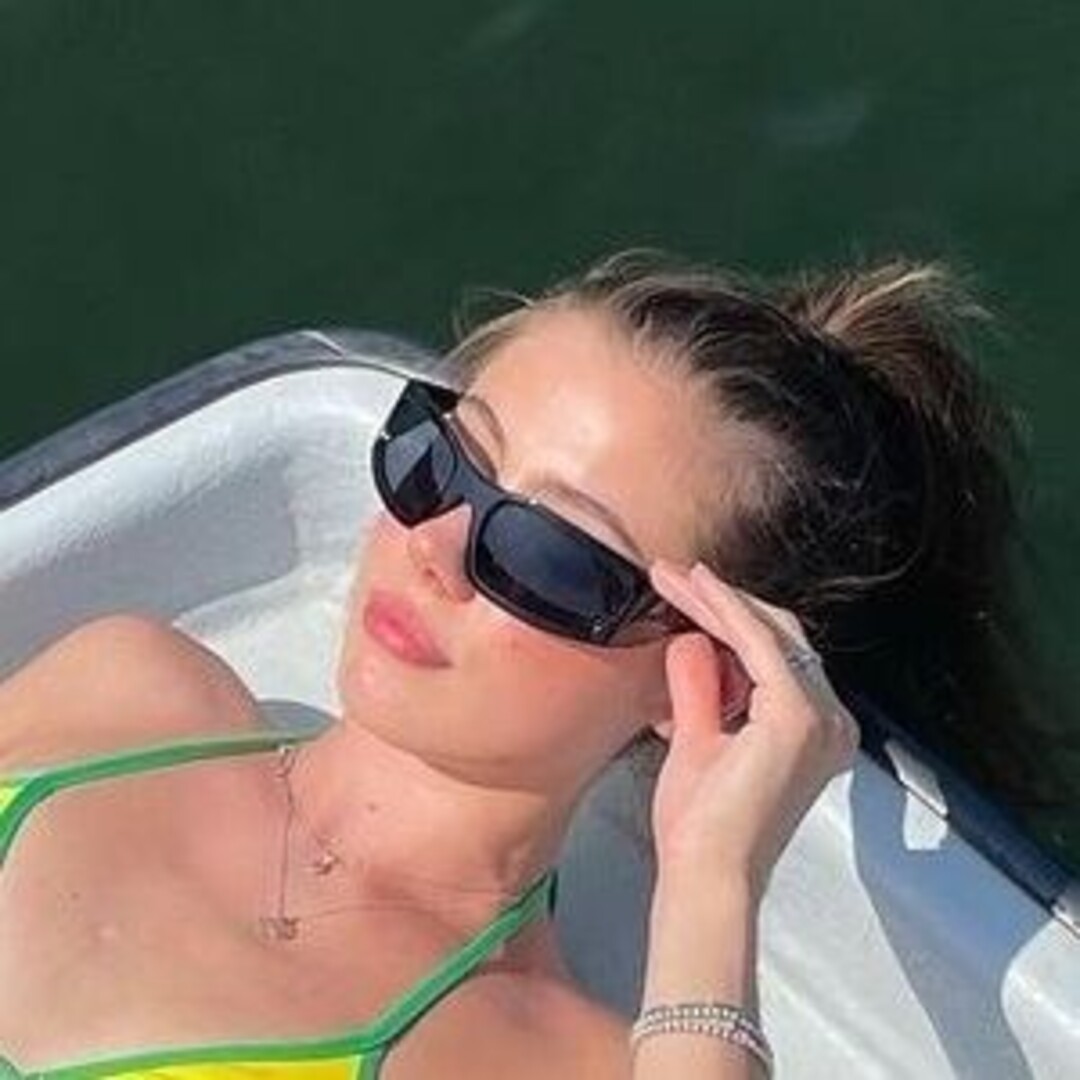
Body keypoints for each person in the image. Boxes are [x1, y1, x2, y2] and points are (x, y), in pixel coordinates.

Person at [0, 249, 1027, 1078]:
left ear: (706, 679)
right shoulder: (125, 690)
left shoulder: (529, 1053)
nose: (435, 546)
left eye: (546, 555)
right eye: (441, 458)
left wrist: (712, 882)